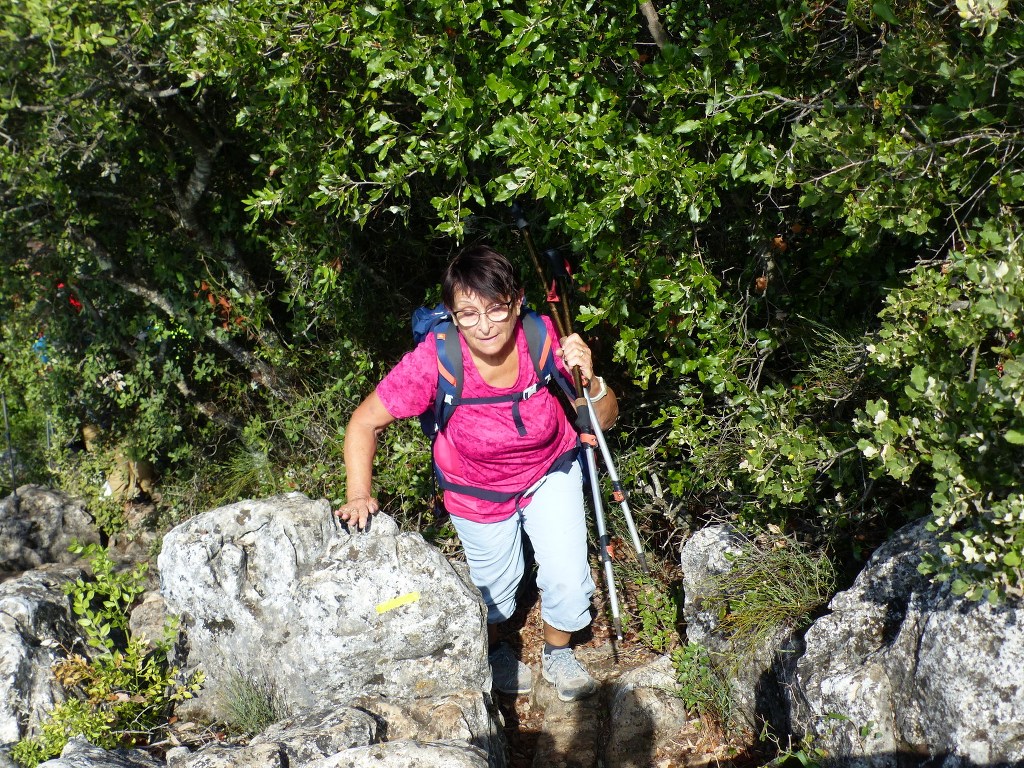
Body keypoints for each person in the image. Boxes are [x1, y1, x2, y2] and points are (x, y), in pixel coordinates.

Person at [334, 245, 618, 702]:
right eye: (468, 314)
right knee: (495, 594)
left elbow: (602, 420)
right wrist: (358, 493)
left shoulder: (542, 336)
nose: (484, 326)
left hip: (550, 470)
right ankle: (494, 651)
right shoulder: (436, 358)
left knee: (567, 575)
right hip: (476, 491)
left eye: (496, 309)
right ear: (452, 313)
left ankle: (558, 651)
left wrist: (593, 378)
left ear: (517, 301)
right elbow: (364, 422)